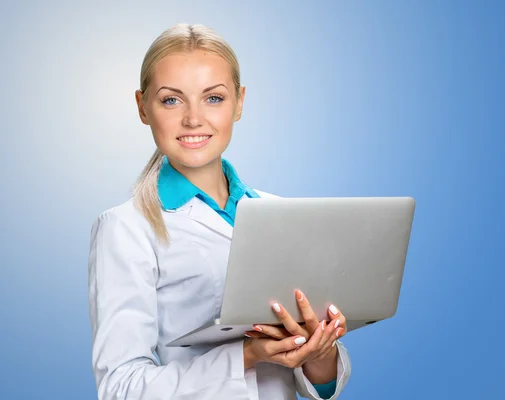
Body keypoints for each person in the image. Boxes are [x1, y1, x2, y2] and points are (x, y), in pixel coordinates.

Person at [87, 23, 352, 399]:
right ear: (143, 107)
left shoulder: (281, 214)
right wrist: (244, 356)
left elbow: (320, 387)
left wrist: (319, 350)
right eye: (171, 99)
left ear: (239, 102)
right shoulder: (125, 229)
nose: (194, 119)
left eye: (213, 98)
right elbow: (121, 388)